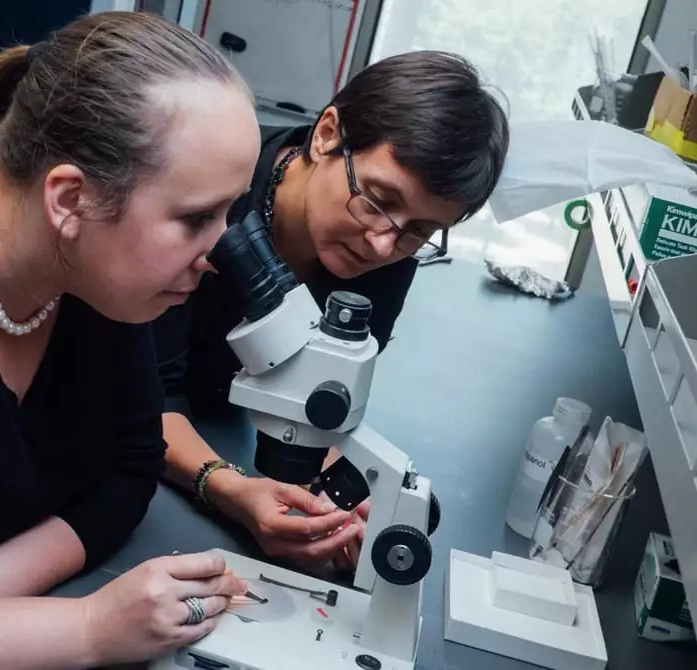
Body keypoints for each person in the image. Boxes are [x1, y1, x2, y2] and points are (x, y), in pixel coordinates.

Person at [0, 11, 262, 669]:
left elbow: (131, 464)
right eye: (196, 217)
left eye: (230, 212)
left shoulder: (93, 278)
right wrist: (83, 630)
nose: (220, 252)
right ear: (70, 199)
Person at [154, 50, 510, 571]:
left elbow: (318, 393)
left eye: (420, 231)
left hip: (224, 426)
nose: (384, 246)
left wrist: (347, 502)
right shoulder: (212, 197)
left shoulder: (391, 250)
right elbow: (144, 392)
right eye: (379, 199)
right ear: (326, 135)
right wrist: (228, 488)